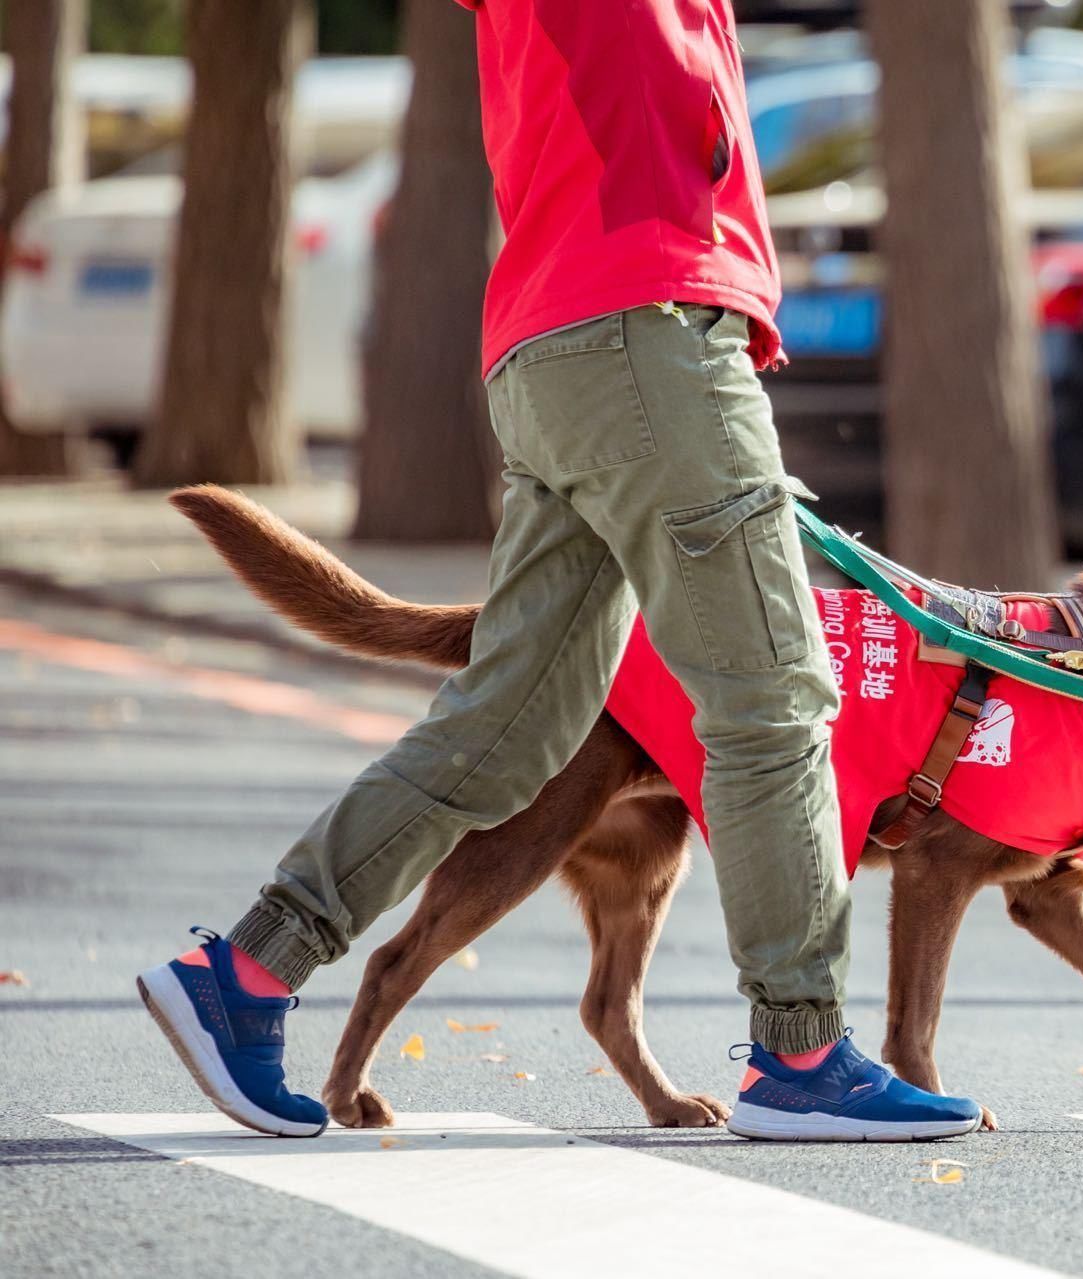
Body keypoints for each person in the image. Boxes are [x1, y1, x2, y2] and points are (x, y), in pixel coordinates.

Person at [135, 0, 981, 1143]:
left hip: (559, 342)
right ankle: (803, 1054)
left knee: (503, 733)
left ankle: (248, 972)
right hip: (649, 336)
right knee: (773, 696)